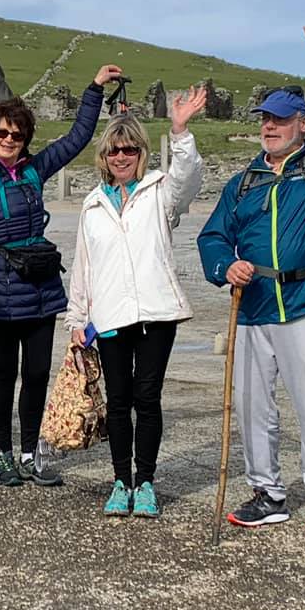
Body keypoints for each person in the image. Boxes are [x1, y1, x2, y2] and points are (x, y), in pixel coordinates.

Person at [197, 4, 305, 536]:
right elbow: (211, 236)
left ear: (302, 124)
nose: (270, 127)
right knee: (251, 405)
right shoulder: (243, 180)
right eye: (265, 119)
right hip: (253, 307)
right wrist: (226, 267)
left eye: (280, 119)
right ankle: (267, 492)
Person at [0, 63, 122, 487]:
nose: (8, 141)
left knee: (35, 375)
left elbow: (77, 138)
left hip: (41, 288)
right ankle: (2, 454)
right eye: (1, 134)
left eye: (16, 135)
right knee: (3, 374)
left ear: (26, 138)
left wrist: (94, 89)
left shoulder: (34, 170)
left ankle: (30, 453)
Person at [64, 90, 207, 518]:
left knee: (148, 398)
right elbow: (83, 266)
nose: (121, 157)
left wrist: (180, 131)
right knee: (118, 401)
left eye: (129, 149)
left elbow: (189, 179)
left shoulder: (159, 192)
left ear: (141, 152)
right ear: (103, 156)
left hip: (156, 314)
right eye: (113, 150)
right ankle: (119, 482)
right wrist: (76, 317)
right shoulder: (91, 205)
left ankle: (145, 481)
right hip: (109, 316)